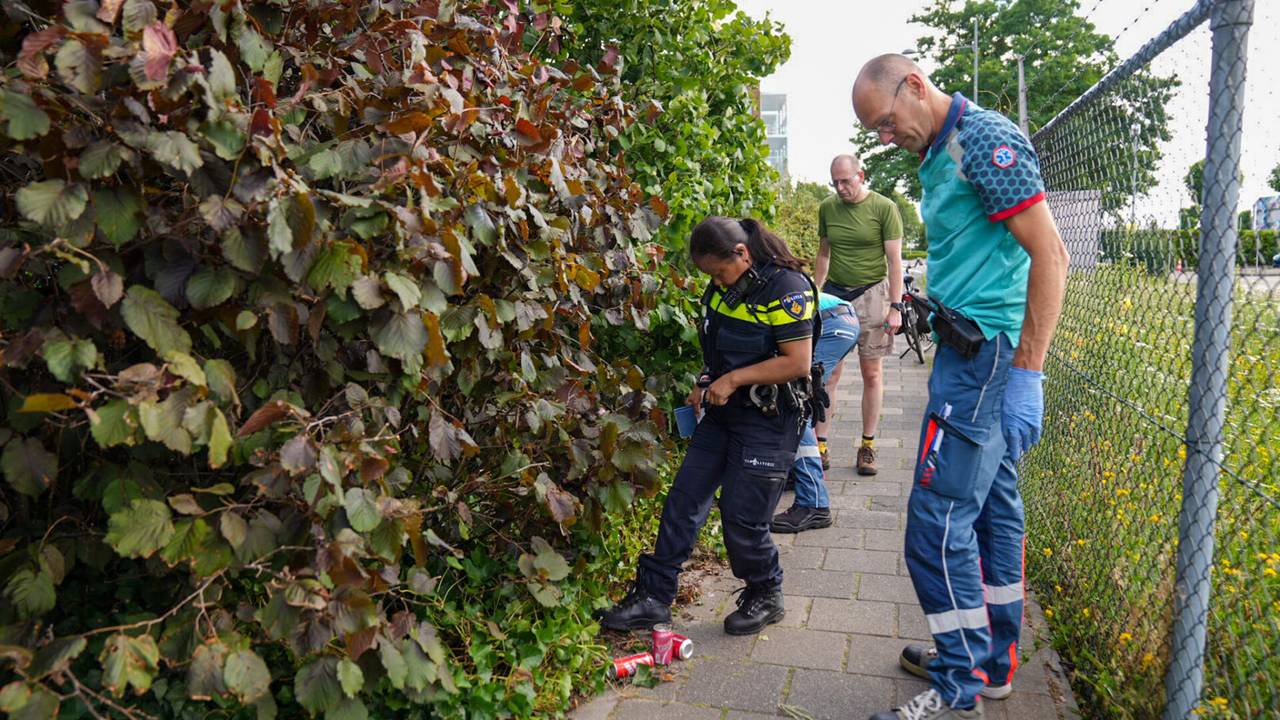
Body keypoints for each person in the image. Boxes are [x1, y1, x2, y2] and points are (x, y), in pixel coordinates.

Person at [851, 55, 1068, 720]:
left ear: (915, 85)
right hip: (966, 349)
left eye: (887, 121)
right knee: (994, 509)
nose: (885, 136)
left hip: (984, 360)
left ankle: (955, 682)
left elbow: (1050, 254)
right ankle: (989, 663)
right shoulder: (939, 148)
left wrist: (1027, 373)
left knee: (935, 521)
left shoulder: (986, 142)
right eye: (875, 130)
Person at [597, 216, 817, 636]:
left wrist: (732, 380)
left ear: (742, 253)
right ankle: (654, 598)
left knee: (742, 517)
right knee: (683, 501)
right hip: (723, 414)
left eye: (718, 272)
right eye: (709, 276)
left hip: (769, 419)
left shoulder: (786, 288)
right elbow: (719, 347)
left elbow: (797, 362)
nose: (715, 283)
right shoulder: (722, 289)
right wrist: (706, 379)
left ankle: (766, 592)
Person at [815, 154, 905, 476]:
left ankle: (867, 446)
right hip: (835, 298)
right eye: (835, 183)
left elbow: (894, 261)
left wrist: (896, 307)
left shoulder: (884, 208)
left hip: (873, 295)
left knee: (872, 373)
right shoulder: (827, 208)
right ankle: (820, 446)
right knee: (827, 373)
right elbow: (824, 253)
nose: (840, 188)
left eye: (846, 181)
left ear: (861, 176)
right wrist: (815, 294)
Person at [771, 292, 860, 534]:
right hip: (838, 317)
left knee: (796, 406)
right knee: (797, 400)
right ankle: (796, 474)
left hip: (831, 323)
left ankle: (814, 503)